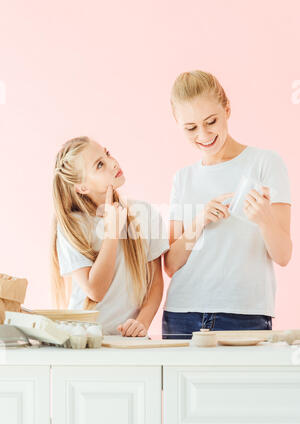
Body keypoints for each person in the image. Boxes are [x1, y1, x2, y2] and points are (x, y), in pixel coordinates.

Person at [163, 70, 292, 339]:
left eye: (211, 121)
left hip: (244, 314)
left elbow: (283, 255)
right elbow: (171, 264)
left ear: (227, 110)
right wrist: (198, 222)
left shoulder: (265, 163)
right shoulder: (183, 178)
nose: (204, 134)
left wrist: (264, 218)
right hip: (182, 315)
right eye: (190, 128)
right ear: (177, 124)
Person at [51, 136, 169, 336]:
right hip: (82, 339)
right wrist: (112, 232)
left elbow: (155, 283)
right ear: (82, 187)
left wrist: (141, 323)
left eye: (107, 154)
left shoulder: (146, 213)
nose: (113, 163)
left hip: (127, 339)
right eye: (99, 165)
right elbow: (95, 290)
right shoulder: (73, 225)